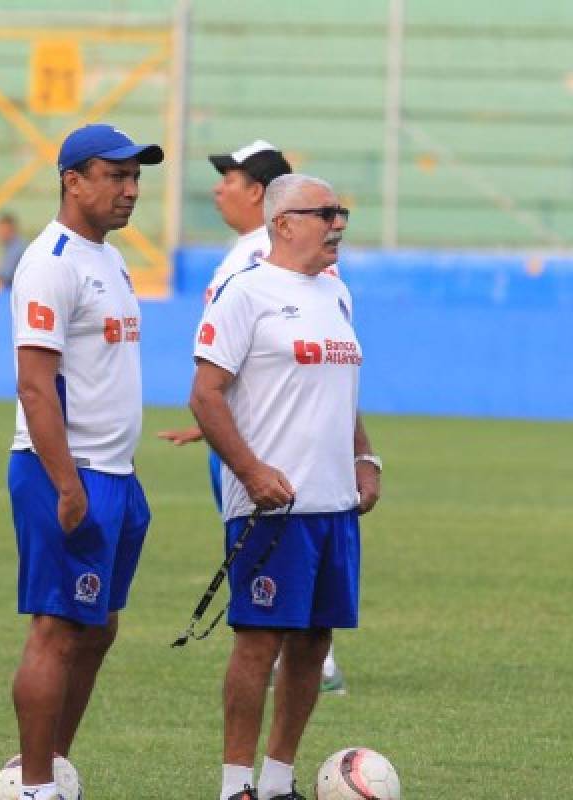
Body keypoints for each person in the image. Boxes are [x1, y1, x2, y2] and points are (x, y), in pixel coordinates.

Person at [189, 174, 382, 800]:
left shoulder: (337, 293)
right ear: (283, 222)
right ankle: (234, 785)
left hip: (334, 505)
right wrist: (249, 472)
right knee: (258, 642)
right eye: (325, 213)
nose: (338, 224)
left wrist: (364, 454)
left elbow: (340, 385)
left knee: (314, 640)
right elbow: (205, 396)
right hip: (272, 506)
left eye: (341, 212)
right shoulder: (245, 295)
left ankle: (276, 781)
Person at [7, 123, 163, 800]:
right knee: (58, 628)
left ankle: (54, 763)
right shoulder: (52, 262)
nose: (130, 190)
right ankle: (36, 783)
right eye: (115, 176)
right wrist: (66, 484)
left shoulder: (109, 257)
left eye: (135, 178)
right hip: (67, 473)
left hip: (116, 473)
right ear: (73, 180)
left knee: (98, 627)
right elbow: (35, 384)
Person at [158, 141, 347, 695]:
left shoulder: (258, 263)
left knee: (262, 565)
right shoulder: (242, 255)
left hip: (273, 460)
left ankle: (311, 661)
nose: (220, 188)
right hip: (244, 437)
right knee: (264, 563)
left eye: (232, 178)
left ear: (263, 196)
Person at [0, 212, 29, 289]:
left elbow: (7, 274)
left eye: (1, 229)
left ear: (10, 229)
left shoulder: (17, 248)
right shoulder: (11, 246)